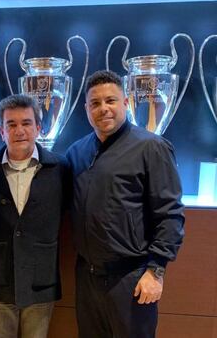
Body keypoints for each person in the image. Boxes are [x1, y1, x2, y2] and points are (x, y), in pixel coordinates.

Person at [66, 70, 185, 338]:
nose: (103, 109)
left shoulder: (152, 148)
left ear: (126, 103)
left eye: (111, 100)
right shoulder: (76, 152)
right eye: (95, 103)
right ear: (86, 109)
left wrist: (156, 271)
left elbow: (170, 214)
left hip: (132, 279)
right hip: (87, 279)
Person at [0, 94, 69, 338]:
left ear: (38, 128)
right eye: (11, 125)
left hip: (41, 281)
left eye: (26, 123)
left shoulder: (60, 169)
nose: (19, 131)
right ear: (1, 131)